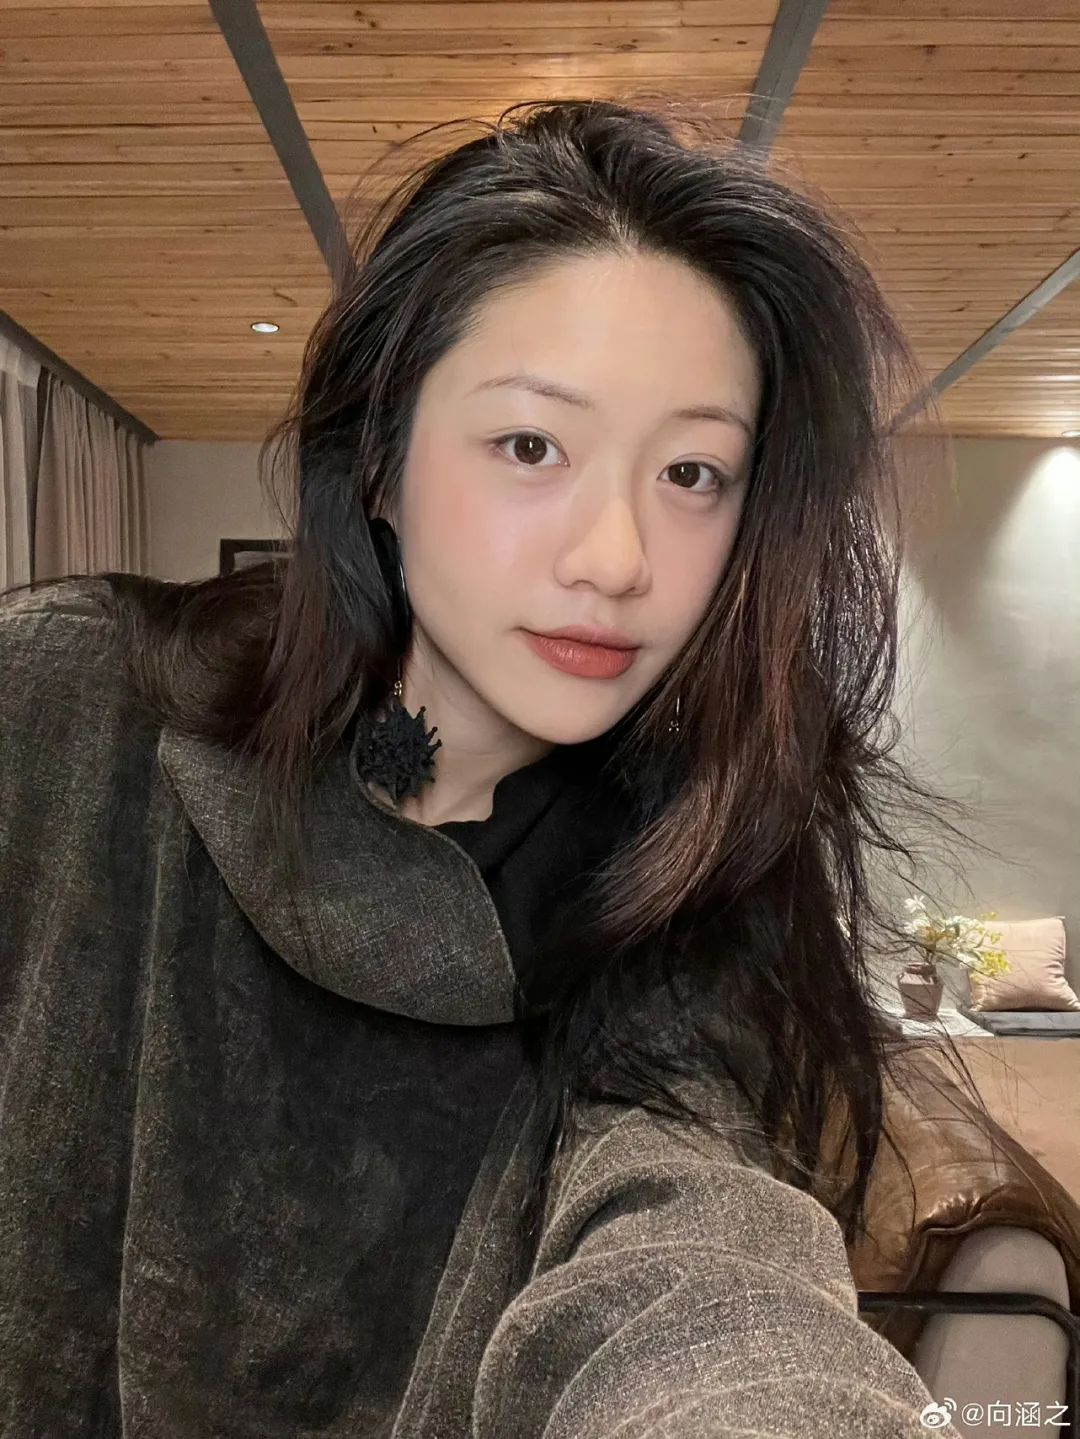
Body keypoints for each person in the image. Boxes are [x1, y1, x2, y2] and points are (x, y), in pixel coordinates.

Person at [0, 98, 968, 1436]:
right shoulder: (66, 698)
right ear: (378, 460)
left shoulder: (694, 900)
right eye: (531, 447)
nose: (617, 558)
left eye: (694, 472)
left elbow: (708, 1272)